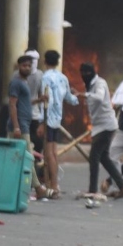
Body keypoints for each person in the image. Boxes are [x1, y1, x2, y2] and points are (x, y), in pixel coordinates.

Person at [75, 63, 123, 196]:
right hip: (100, 125)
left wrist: (83, 94)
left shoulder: (100, 83)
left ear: (92, 72)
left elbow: (99, 97)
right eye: (82, 72)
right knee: (104, 158)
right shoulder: (89, 85)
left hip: (106, 126)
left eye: (86, 72)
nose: (84, 75)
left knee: (94, 157)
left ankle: (92, 190)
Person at [7, 55, 53, 200]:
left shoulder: (24, 83)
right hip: (20, 125)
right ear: (18, 66)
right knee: (28, 157)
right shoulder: (15, 82)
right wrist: (16, 127)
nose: (26, 68)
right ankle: (38, 188)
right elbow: (13, 104)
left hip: (24, 123)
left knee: (18, 158)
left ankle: (19, 187)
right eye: (24, 65)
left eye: (28, 65)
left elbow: (25, 103)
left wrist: (39, 100)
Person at [38, 50, 79, 193]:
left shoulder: (46, 78)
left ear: (45, 61)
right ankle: (51, 183)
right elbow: (70, 99)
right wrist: (76, 96)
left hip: (48, 119)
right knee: (54, 152)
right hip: (57, 119)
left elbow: (47, 100)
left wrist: (42, 122)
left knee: (49, 153)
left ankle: (54, 185)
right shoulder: (63, 78)